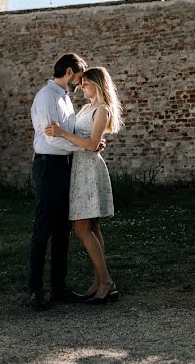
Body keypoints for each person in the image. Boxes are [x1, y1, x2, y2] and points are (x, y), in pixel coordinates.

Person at [45, 66, 122, 305]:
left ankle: (107, 282)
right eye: (81, 83)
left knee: (81, 228)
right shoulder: (87, 108)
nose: (81, 86)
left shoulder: (103, 110)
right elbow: (88, 141)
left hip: (89, 169)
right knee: (93, 227)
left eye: (85, 83)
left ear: (98, 84)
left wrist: (62, 133)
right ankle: (100, 282)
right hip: (80, 168)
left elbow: (89, 144)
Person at [27, 53, 91, 311]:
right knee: (43, 229)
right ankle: (35, 290)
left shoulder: (65, 98)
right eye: (79, 76)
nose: (80, 81)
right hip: (47, 166)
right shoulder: (45, 97)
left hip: (64, 167)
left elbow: (70, 133)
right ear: (68, 72)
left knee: (62, 230)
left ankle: (58, 288)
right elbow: (52, 139)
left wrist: (88, 141)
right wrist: (86, 148)